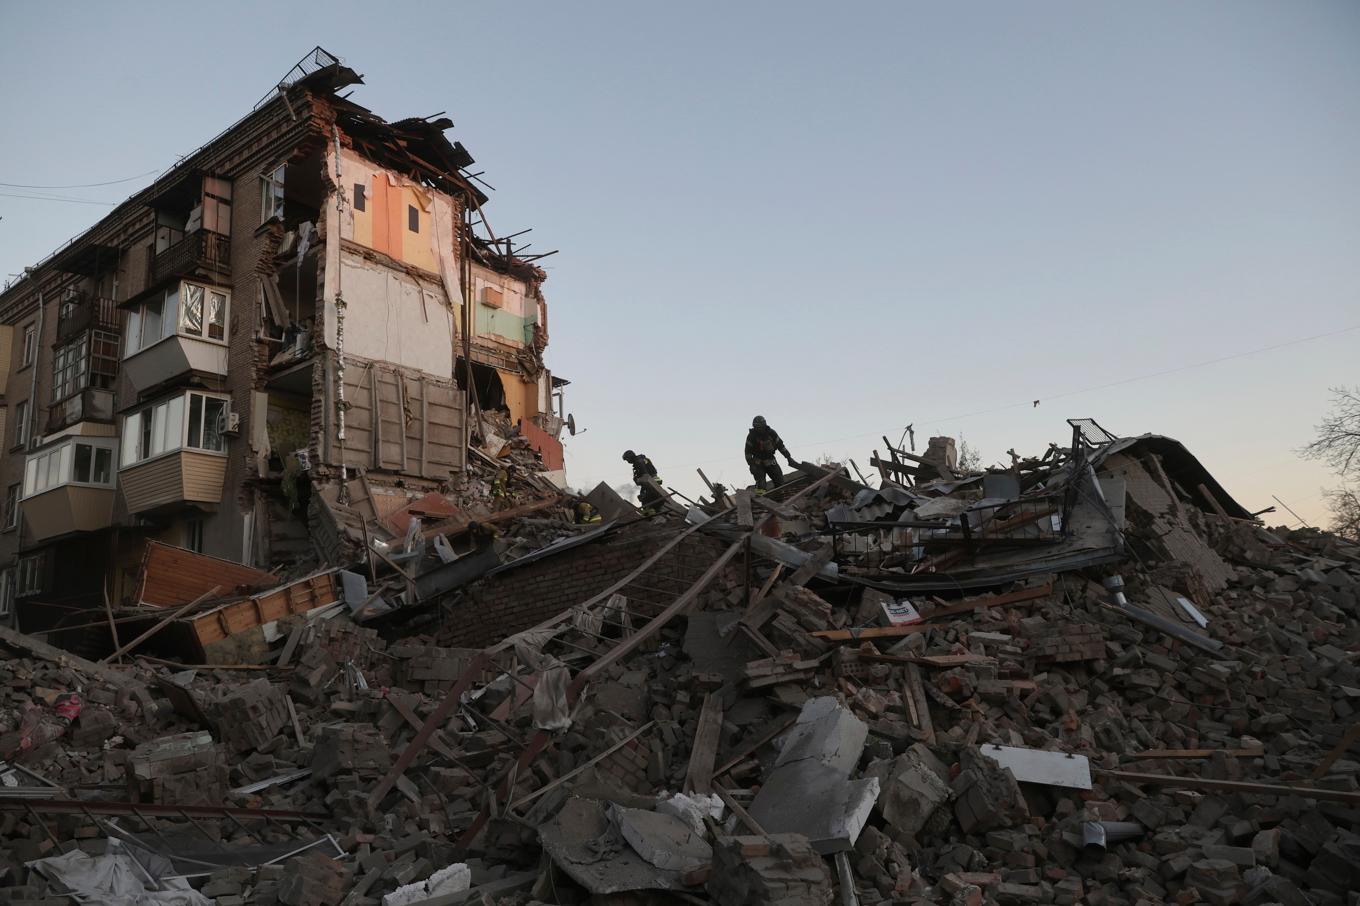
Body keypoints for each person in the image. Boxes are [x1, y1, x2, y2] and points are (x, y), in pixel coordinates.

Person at [745, 416, 795, 493]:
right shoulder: (751, 436)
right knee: (761, 485)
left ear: (764, 425)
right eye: (757, 427)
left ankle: (779, 500)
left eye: (760, 427)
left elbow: (780, 445)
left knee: (779, 481)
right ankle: (761, 501)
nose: (759, 429)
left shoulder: (771, 433)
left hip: (770, 460)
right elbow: (747, 452)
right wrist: (751, 464)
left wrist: (788, 457)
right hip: (758, 463)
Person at [622, 450, 665, 514]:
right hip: (654, 480)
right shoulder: (643, 459)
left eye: (627, 459)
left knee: (644, 497)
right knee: (649, 496)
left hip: (649, 482)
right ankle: (654, 511)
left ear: (630, 456)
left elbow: (645, 475)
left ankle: (650, 514)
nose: (627, 461)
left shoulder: (638, 461)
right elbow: (652, 470)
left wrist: (637, 479)